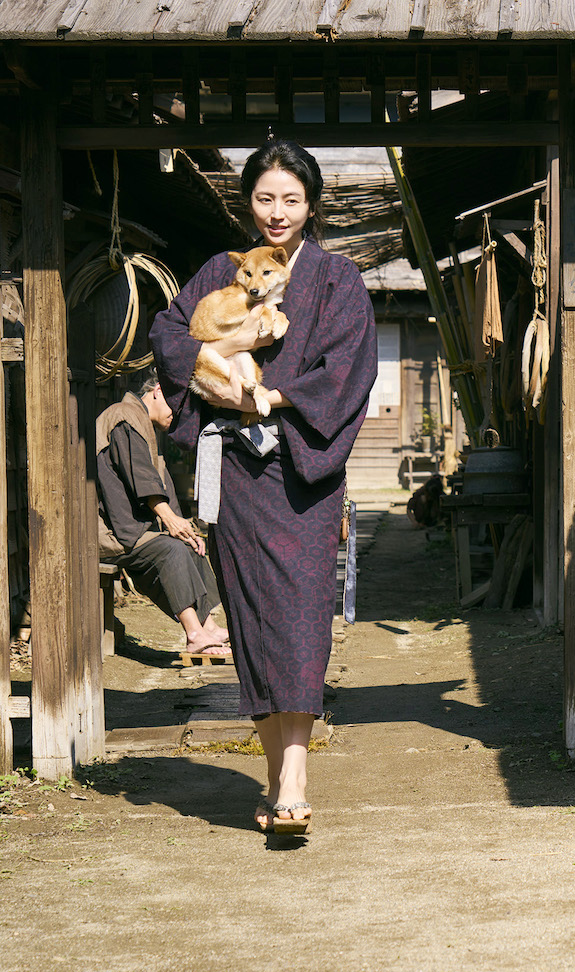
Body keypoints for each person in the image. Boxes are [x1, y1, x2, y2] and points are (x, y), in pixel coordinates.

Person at [149, 139, 377, 835]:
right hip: (239, 478)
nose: (277, 212)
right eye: (264, 198)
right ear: (247, 202)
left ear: (311, 205)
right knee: (249, 618)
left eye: (291, 199)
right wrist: (224, 360)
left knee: (301, 615)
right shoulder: (224, 268)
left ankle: (296, 778)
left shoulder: (338, 280)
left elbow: (347, 372)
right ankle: (278, 781)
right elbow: (168, 329)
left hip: (301, 474)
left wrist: (270, 399)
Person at [96, 368, 229, 657]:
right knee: (172, 550)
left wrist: (185, 528)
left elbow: (163, 486)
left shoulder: (143, 424)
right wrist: (168, 519)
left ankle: (208, 625)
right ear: (158, 389)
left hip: (134, 529)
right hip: (111, 532)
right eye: (178, 407)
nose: (179, 416)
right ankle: (194, 634)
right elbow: (140, 478)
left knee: (189, 545)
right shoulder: (123, 416)